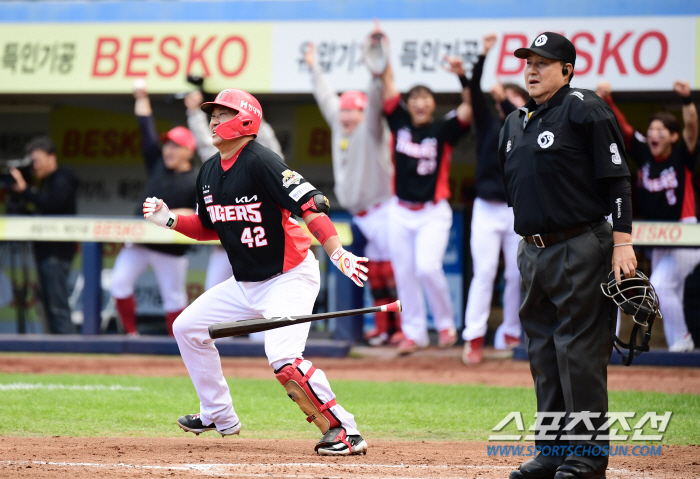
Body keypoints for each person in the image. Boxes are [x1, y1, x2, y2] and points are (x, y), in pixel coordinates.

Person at [143, 88, 369, 455]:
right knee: (186, 328)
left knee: (283, 360)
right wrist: (169, 219)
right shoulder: (209, 171)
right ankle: (218, 415)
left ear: (245, 119)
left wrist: (337, 251)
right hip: (246, 283)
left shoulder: (261, 160)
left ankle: (344, 430)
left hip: (289, 277)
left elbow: (311, 205)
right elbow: (206, 227)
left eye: (222, 115)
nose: (213, 122)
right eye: (212, 116)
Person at [500, 33, 636, 479]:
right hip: (533, 250)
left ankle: (586, 456)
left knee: (578, 354)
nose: (533, 69)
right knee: (542, 353)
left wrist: (622, 241)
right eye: (529, 62)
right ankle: (552, 451)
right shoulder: (515, 122)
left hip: (580, 244)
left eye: (545, 62)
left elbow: (617, 181)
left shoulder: (584, 107)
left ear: (567, 69)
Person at [304, 34, 403, 347]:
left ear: (362, 113)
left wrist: (375, 66)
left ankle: (400, 327)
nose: (346, 116)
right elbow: (325, 97)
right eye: (344, 111)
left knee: (392, 273)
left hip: (383, 208)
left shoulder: (371, 126)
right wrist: (313, 67)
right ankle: (384, 327)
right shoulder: (339, 124)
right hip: (360, 214)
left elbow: (375, 102)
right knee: (374, 273)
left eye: (353, 111)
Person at [379, 43, 472, 355]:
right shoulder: (399, 121)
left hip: (433, 211)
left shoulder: (442, 129)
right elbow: (388, 82)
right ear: (409, 103)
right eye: (414, 98)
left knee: (427, 267)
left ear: (432, 104)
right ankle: (414, 333)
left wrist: (463, 78)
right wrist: (381, 45)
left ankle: (446, 323)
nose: (419, 103)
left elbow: (469, 109)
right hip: (400, 209)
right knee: (404, 272)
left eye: (425, 98)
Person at [596, 80, 699, 352]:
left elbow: (691, 129)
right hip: (658, 237)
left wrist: (687, 100)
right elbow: (627, 131)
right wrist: (608, 100)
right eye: (651, 129)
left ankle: (682, 340)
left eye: (661, 130)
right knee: (670, 291)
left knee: (662, 285)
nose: (654, 134)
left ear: (672, 136)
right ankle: (682, 342)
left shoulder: (681, 155)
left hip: (685, 233)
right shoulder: (645, 155)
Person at [110, 82, 199, 336]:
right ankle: (132, 336)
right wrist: (142, 96)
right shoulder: (158, 165)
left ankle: (178, 347)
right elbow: (146, 127)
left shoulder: (196, 178)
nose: (168, 150)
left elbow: (200, 212)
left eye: (175, 146)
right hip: (140, 240)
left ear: (188, 151)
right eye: (167, 145)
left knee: (174, 299)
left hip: (170, 247)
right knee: (119, 285)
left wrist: (172, 212)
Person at [461, 33, 529, 364]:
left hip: (518, 210)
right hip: (487, 208)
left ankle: (512, 331)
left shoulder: (530, 126)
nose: (507, 102)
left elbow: (525, 113)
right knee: (485, 271)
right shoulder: (490, 124)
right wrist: (483, 55)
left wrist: (508, 100)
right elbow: (474, 91)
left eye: (516, 98)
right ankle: (473, 337)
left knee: (517, 273)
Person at [10, 136, 79, 334]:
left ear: (51, 157)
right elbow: (45, 209)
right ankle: (55, 351)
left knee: (58, 308)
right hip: (45, 252)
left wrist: (26, 191)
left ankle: (70, 353)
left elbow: (52, 203)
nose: (35, 166)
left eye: (37, 160)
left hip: (56, 254)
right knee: (48, 306)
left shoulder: (63, 176)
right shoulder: (45, 181)